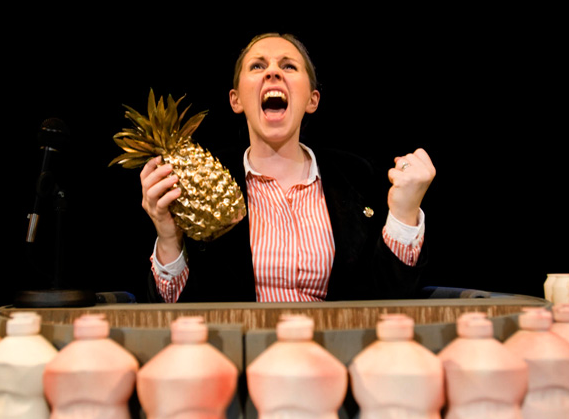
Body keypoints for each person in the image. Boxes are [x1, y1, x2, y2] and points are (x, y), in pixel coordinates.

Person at [139, 33, 435, 303]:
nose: (272, 72)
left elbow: (389, 302)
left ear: (312, 99)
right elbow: (176, 315)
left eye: (289, 66)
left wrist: (404, 215)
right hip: (238, 354)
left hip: (335, 351)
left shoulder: (357, 177)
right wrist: (168, 239)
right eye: (257, 66)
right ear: (236, 99)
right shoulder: (198, 186)